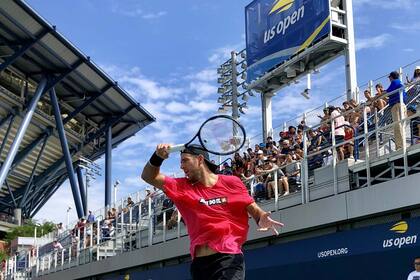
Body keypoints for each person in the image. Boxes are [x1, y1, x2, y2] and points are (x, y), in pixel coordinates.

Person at [141, 144, 284, 280]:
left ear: (200, 159)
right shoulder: (180, 187)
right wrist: (157, 157)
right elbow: (148, 176)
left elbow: (252, 208)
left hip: (228, 258)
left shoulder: (232, 182)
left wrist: (260, 218)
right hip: (199, 265)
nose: (181, 166)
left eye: (185, 161)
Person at [386, 71, 407, 150]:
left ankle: (400, 146)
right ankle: (401, 145)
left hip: (397, 106)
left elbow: (386, 92)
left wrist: (374, 98)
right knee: (401, 125)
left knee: (397, 125)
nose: (389, 79)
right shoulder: (399, 82)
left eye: (389, 78)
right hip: (401, 105)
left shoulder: (395, 82)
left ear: (391, 77)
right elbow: (390, 95)